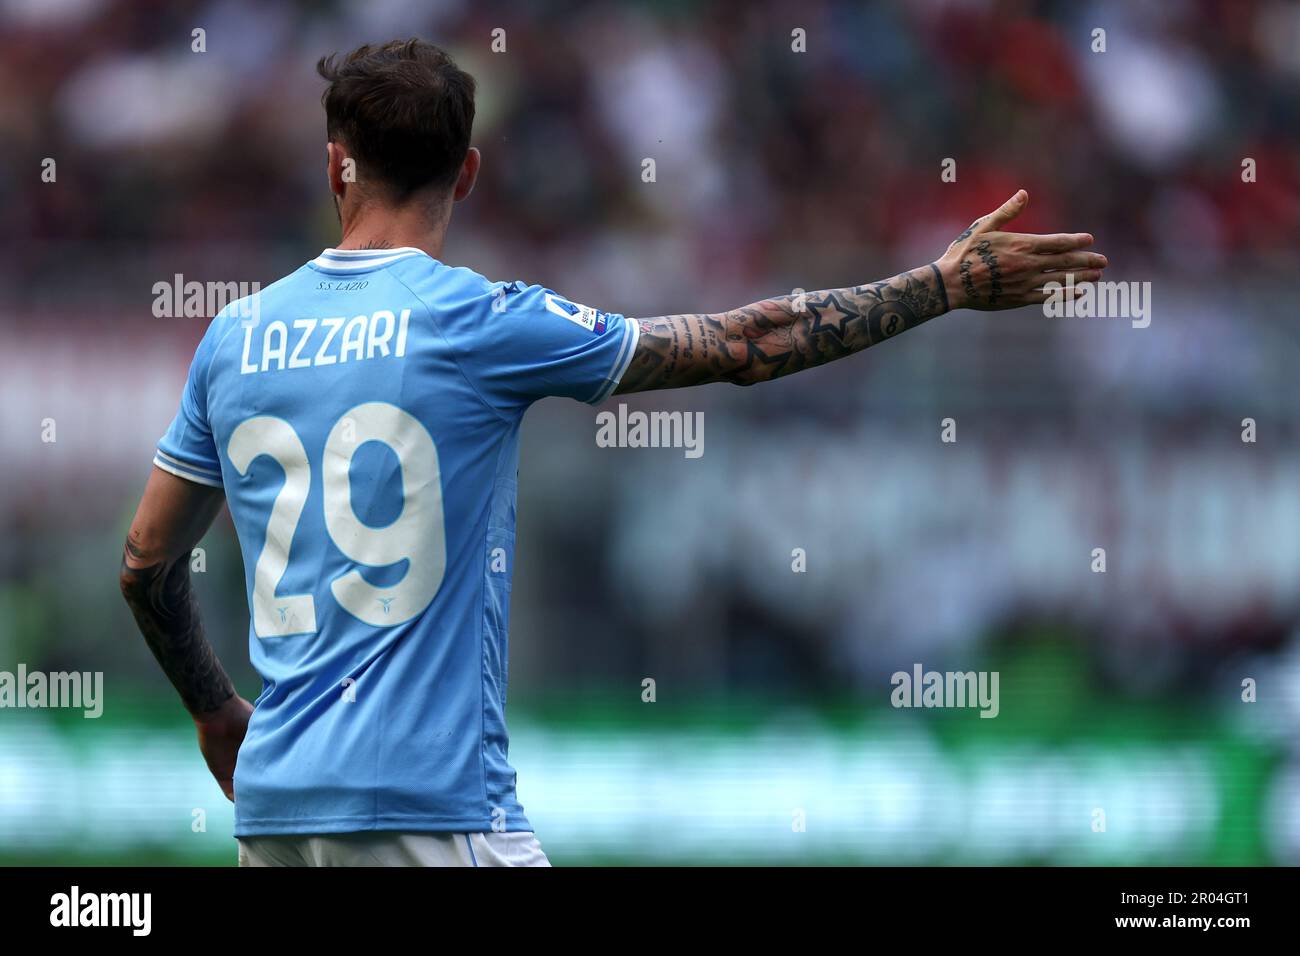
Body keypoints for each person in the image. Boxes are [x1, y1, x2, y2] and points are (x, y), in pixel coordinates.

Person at [119, 38, 1106, 867]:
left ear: (335, 163)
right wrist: (939, 286)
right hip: (424, 799)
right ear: (466, 171)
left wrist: (216, 709)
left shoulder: (235, 336)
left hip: (278, 808)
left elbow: (146, 566)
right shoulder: (476, 319)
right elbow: (746, 344)